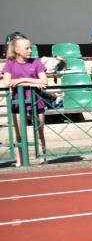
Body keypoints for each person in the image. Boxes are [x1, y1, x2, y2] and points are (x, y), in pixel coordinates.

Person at [2, 36, 48, 166]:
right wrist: (33, 83)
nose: (30, 51)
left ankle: (42, 158)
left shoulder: (36, 62)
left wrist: (22, 81)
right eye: (27, 48)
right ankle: (19, 160)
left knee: (40, 131)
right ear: (17, 50)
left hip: (36, 101)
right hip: (18, 102)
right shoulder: (10, 63)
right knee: (19, 133)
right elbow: (7, 82)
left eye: (31, 48)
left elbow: (44, 81)